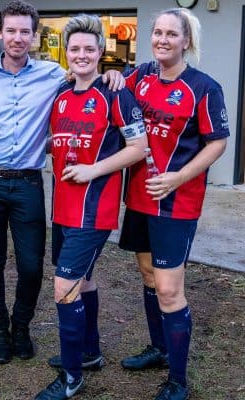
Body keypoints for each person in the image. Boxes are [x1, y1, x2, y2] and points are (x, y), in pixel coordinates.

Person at [0, 0, 124, 366]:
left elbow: (88, 78)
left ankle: (21, 326)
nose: (18, 38)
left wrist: (114, 73)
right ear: (1, 33)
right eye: (11, 30)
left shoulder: (54, 74)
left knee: (32, 264)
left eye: (25, 31)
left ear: (35, 36)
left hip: (28, 183)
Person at [117, 8, 229, 400]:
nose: (163, 39)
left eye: (172, 34)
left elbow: (217, 142)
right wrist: (112, 75)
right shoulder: (141, 76)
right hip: (139, 198)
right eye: (158, 32)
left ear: (186, 41)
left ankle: (178, 379)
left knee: (169, 289)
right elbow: (114, 92)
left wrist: (179, 177)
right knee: (147, 274)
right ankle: (159, 349)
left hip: (177, 202)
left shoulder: (203, 87)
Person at [34, 14, 147, 400]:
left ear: (101, 52)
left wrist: (92, 169)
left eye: (88, 48)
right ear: (67, 53)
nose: (81, 55)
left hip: (93, 212)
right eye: (75, 49)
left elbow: (139, 148)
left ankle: (71, 378)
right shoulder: (61, 95)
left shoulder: (116, 93)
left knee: (64, 287)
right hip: (62, 210)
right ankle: (89, 353)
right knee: (82, 282)